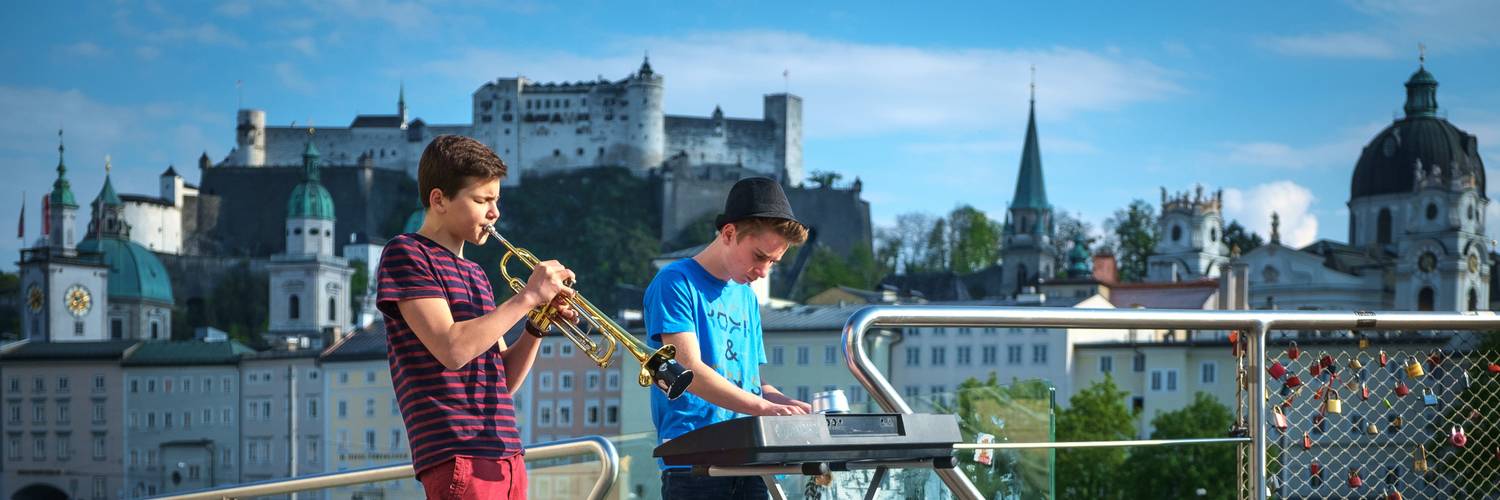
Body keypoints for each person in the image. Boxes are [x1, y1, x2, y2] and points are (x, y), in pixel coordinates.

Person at [377, 134, 575, 499]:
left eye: (496, 200)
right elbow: (452, 349)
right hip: (458, 454)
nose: (494, 212)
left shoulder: (476, 274)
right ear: (439, 200)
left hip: (506, 453)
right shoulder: (407, 254)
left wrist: (537, 323)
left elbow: (502, 380)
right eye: (482, 200)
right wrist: (529, 296)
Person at [645, 176, 812, 499]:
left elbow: (751, 384)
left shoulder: (747, 297)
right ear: (729, 233)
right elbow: (688, 371)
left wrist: (786, 405)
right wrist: (764, 407)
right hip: (695, 463)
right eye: (759, 256)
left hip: (751, 458)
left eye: (773, 262)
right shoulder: (675, 282)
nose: (763, 271)